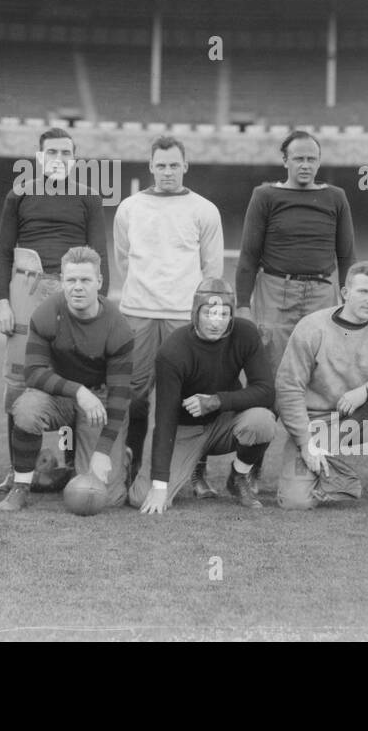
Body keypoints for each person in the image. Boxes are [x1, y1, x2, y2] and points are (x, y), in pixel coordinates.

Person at [231, 129, 355, 493]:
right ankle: (247, 467)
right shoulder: (265, 195)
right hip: (275, 291)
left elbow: (346, 255)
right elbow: (248, 256)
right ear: (284, 160)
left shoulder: (336, 197)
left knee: (317, 381)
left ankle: (311, 463)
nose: (305, 164)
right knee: (270, 381)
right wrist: (242, 305)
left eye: (311, 159)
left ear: (319, 162)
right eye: (298, 158)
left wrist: (347, 301)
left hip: (321, 293)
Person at [0, 127, 110, 491]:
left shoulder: (88, 197)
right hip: (26, 288)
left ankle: (70, 463)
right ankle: (19, 468)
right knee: (18, 378)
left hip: (70, 289)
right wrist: (1, 301)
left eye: (66, 152)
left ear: (74, 158)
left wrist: (98, 304)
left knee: (73, 375)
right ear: (39, 156)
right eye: (52, 152)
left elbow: (99, 253)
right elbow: (3, 251)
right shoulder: (19, 194)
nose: (59, 158)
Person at [113, 135, 224, 489]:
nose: (167, 171)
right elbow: (122, 260)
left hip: (182, 317)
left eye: (174, 165)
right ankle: (131, 460)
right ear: (150, 167)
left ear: (185, 166)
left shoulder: (204, 210)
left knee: (190, 394)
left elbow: (212, 270)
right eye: (160, 165)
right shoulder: (129, 207)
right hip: (138, 312)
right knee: (134, 395)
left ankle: (196, 470)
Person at [274, 261, 368, 513]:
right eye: (363, 292)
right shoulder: (312, 328)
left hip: (361, 420)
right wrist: (304, 443)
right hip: (317, 426)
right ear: (345, 293)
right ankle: (337, 473)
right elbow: (288, 388)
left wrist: (366, 391)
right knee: (296, 502)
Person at [0, 246, 133, 512]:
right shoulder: (46, 313)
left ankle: (120, 458)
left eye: (85, 280)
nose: (78, 287)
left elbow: (120, 397)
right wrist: (79, 391)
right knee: (26, 408)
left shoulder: (118, 327)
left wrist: (103, 450)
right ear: (62, 281)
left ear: (100, 281)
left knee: (106, 497)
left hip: (101, 400)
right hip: (62, 395)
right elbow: (33, 372)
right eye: (71, 280)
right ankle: (21, 485)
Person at [128, 279, 275, 513]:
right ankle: (188, 464)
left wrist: (217, 401)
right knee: (141, 498)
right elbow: (164, 421)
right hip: (185, 431)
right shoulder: (173, 351)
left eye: (224, 314)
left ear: (232, 314)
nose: (216, 322)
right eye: (209, 313)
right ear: (195, 312)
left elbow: (266, 391)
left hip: (225, 422)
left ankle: (239, 476)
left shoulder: (245, 333)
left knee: (263, 420)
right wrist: (159, 485)